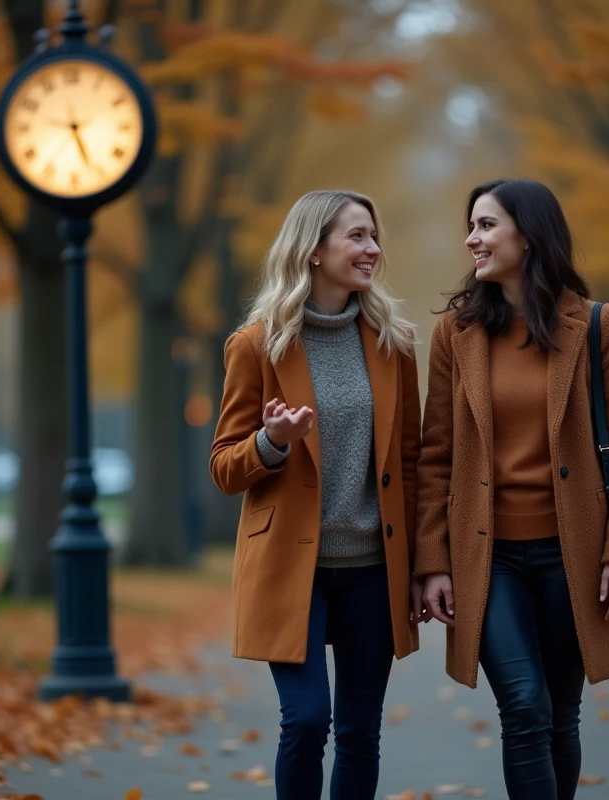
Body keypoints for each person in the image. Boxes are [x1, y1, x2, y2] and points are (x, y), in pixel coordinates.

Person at [416, 179, 609, 800]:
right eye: (470, 226)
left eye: (487, 225)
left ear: (530, 233)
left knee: (559, 716)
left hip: (572, 555)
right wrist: (433, 561)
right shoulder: (455, 335)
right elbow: (435, 457)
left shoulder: (598, 326)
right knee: (523, 706)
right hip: (488, 559)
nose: (472, 238)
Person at [209, 189, 428, 799]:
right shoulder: (258, 345)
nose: (373, 250)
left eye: (374, 237)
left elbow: (410, 464)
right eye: (357, 236)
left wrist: (418, 566)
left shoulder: (395, 343)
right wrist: (271, 441)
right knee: (306, 721)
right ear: (313, 250)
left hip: (371, 569)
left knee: (359, 732)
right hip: (291, 567)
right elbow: (225, 468)